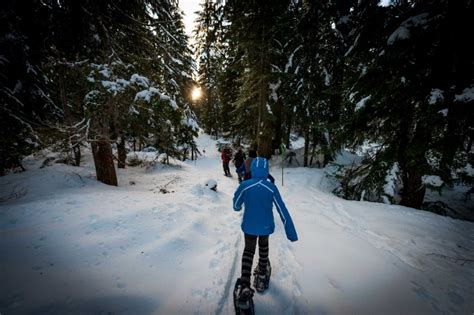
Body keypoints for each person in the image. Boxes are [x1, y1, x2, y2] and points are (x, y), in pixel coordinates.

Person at [232, 157, 298, 309]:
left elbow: (236, 205)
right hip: (266, 226)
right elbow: (283, 210)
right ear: (267, 170)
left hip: (249, 226)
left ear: (253, 169)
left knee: (248, 251)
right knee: (263, 247)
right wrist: (291, 233)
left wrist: (240, 205)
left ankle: (244, 285)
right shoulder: (271, 188)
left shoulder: (245, 185)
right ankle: (262, 273)